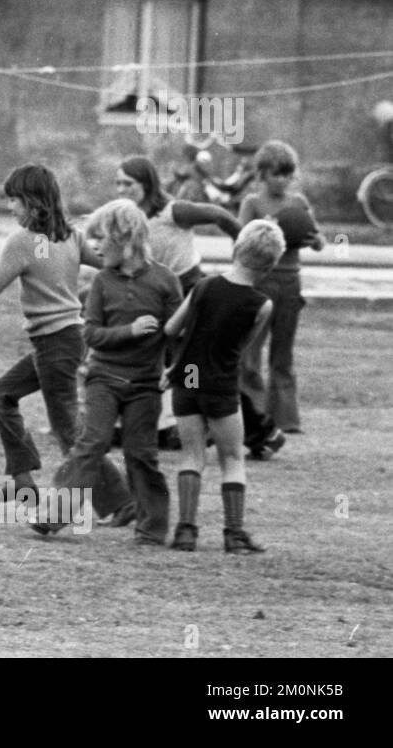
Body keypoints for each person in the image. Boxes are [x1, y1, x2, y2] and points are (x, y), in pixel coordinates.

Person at [0, 164, 118, 509]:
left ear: (33, 202)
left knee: (68, 432)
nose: (10, 208)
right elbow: (111, 264)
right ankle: (23, 482)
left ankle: (119, 500)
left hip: (56, 344)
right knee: (1, 395)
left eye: (14, 201)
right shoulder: (71, 236)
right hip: (64, 341)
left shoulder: (22, 242)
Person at [113, 155, 286, 457]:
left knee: (198, 366)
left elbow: (219, 215)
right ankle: (165, 425)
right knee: (178, 364)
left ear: (147, 184)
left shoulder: (173, 211)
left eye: (128, 183)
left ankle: (261, 431)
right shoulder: (129, 218)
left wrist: (242, 250)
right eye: (118, 183)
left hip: (196, 292)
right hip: (162, 296)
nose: (121, 189)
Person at [36, 200, 182, 543]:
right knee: (91, 444)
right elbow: (91, 334)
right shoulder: (102, 282)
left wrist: (180, 370)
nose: (95, 247)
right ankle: (54, 514)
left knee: (141, 454)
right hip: (104, 379)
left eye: (101, 239)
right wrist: (128, 332)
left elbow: (178, 334)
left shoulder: (166, 281)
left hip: (145, 385)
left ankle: (151, 528)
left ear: (126, 239)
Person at [164, 219, 286, 553]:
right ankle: (234, 533)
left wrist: (177, 367)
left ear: (236, 248)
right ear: (271, 265)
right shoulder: (261, 304)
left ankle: (185, 531)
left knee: (192, 454)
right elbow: (242, 348)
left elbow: (172, 329)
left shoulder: (203, 286)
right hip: (221, 385)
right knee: (232, 457)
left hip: (188, 380)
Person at [237, 140, 323, 435]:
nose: (282, 180)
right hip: (261, 283)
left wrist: (313, 239)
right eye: (276, 174)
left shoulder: (298, 203)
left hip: (290, 283)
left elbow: (319, 241)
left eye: (287, 174)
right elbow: (239, 244)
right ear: (261, 174)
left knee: (282, 353)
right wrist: (267, 228)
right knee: (250, 352)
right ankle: (257, 417)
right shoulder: (252, 203)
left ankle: (285, 418)